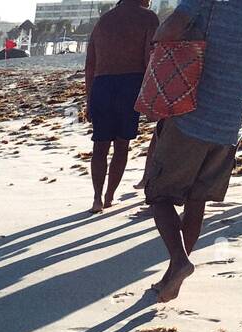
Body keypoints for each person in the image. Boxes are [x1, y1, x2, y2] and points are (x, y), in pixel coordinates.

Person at [145, 0, 242, 301]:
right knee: (197, 199)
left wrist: (161, 31)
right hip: (230, 120)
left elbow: (170, 31)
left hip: (191, 111)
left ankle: (179, 261)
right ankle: (172, 275)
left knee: (158, 193)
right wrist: (240, 115)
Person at [85, 0, 159, 212]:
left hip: (101, 84)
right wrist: (150, 97)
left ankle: (97, 199)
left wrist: (89, 99)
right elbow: (150, 60)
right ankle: (109, 197)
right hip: (130, 84)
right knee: (121, 146)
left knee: (99, 146)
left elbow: (90, 64)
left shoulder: (104, 20)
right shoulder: (148, 18)